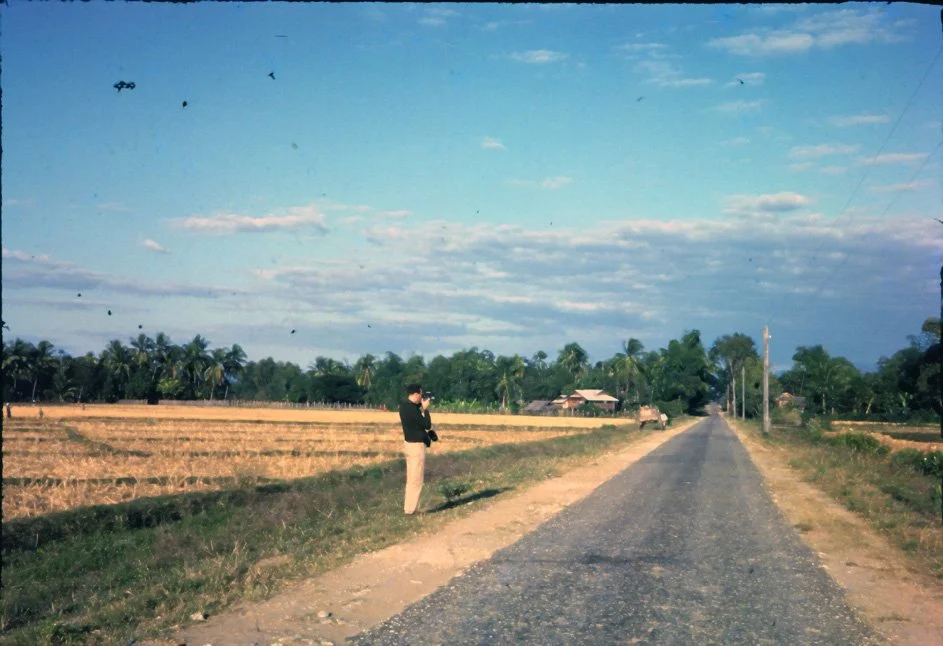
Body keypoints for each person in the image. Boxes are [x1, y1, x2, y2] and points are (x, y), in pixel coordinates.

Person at [398, 383, 434, 515]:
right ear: (416, 394)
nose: (421, 397)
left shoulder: (404, 407)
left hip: (408, 445)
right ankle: (411, 510)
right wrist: (426, 409)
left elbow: (413, 408)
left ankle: (408, 507)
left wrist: (421, 405)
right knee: (417, 479)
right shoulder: (413, 410)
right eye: (421, 394)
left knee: (411, 479)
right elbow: (427, 424)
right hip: (416, 446)